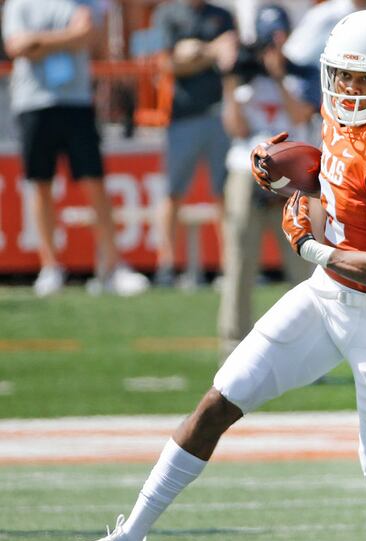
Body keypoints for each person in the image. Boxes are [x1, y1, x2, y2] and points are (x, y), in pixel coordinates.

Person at [54, 11, 366, 541]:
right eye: (342, 76)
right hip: (325, 295)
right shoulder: (340, 120)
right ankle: (126, 539)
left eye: (364, 79)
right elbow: (335, 185)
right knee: (218, 402)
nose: (350, 90)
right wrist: (287, 178)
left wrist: (307, 244)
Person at [2, 0, 149, 297]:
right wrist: (66, 38)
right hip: (32, 103)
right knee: (39, 185)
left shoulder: (84, 3)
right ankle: (50, 266)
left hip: (77, 103)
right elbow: (16, 46)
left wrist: (39, 42)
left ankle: (112, 266)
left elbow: (88, 36)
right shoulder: (20, 4)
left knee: (94, 182)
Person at [216, 3, 318, 361]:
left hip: (291, 175)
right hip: (247, 169)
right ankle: (233, 346)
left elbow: (301, 115)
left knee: (302, 264)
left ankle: (309, 349)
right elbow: (236, 128)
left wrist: (277, 76)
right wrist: (229, 79)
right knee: (240, 260)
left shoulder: (301, 71)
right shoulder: (244, 73)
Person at [150, 0, 235, 287]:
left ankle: (230, 267)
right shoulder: (168, 14)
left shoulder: (221, 15)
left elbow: (231, 56)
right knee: (173, 192)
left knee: (224, 194)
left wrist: (195, 52)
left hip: (219, 114)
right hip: (182, 116)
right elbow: (169, 63)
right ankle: (166, 266)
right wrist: (212, 51)